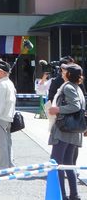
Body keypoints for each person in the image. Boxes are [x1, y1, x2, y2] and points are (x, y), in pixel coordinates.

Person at [48, 63, 85, 200]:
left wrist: (57, 109)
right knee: (69, 165)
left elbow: (74, 106)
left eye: (64, 71)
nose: (62, 72)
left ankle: (61, 195)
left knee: (56, 164)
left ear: (68, 74)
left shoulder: (68, 86)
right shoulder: (78, 88)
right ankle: (74, 194)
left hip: (64, 130)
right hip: (75, 131)